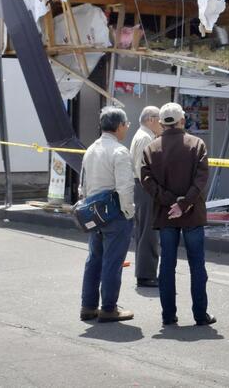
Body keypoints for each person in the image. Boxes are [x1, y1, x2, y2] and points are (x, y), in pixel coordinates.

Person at [141, 102, 214, 327]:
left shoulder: (151, 148)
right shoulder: (197, 144)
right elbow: (201, 179)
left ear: (161, 123)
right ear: (182, 120)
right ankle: (200, 315)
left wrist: (170, 202)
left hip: (166, 214)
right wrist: (184, 203)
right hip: (192, 214)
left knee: (167, 266)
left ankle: (168, 315)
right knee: (197, 266)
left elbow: (146, 180)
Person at [79, 107, 135, 322]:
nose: (127, 128)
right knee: (113, 262)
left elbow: (83, 185)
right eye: (126, 124)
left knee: (94, 259)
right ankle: (109, 308)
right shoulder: (119, 151)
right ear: (120, 126)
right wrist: (129, 212)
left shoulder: (91, 149)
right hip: (115, 214)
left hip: (93, 213)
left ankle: (88, 306)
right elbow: (125, 187)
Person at [130, 106, 162, 288]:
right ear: (151, 119)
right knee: (148, 232)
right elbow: (143, 170)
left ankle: (145, 273)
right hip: (145, 189)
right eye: (160, 118)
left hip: (143, 189)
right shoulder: (145, 138)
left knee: (145, 231)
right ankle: (146, 275)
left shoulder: (145, 136)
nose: (162, 123)